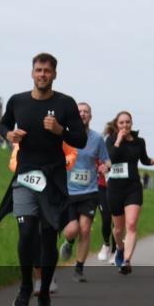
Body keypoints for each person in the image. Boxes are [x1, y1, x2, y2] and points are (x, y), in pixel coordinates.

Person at [0, 53, 87, 306]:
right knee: (26, 234)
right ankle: (26, 286)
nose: (42, 75)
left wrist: (61, 131)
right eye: (38, 70)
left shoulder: (65, 104)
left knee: (48, 239)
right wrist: (8, 135)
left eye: (47, 71)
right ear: (32, 73)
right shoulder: (18, 101)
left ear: (55, 74)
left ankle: (44, 292)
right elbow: (3, 124)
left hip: (54, 180)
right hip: (25, 176)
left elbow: (79, 140)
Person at [9, 139, 77, 295]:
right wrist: (24, 168)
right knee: (31, 234)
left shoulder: (55, 132)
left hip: (52, 188)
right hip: (28, 187)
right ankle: (39, 279)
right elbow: (13, 161)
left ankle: (48, 275)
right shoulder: (25, 134)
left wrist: (60, 164)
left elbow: (72, 153)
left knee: (47, 235)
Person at [104, 111, 154, 275]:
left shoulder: (139, 141)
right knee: (118, 230)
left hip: (132, 187)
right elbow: (111, 159)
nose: (125, 125)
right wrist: (118, 139)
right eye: (122, 123)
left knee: (131, 225)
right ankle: (119, 247)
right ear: (117, 124)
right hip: (115, 188)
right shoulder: (110, 140)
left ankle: (126, 260)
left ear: (132, 123)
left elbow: (144, 159)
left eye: (128, 122)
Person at [62, 102, 110, 282]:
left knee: (85, 229)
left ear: (90, 116)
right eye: (79, 111)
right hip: (68, 191)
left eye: (86, 112)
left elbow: (107, 160)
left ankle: (79, 268)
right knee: (72, 230)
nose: (82, 114)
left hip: (90, 191)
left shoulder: (97, 139)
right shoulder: (64, 138)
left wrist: (105, 166)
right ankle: (68, 241)